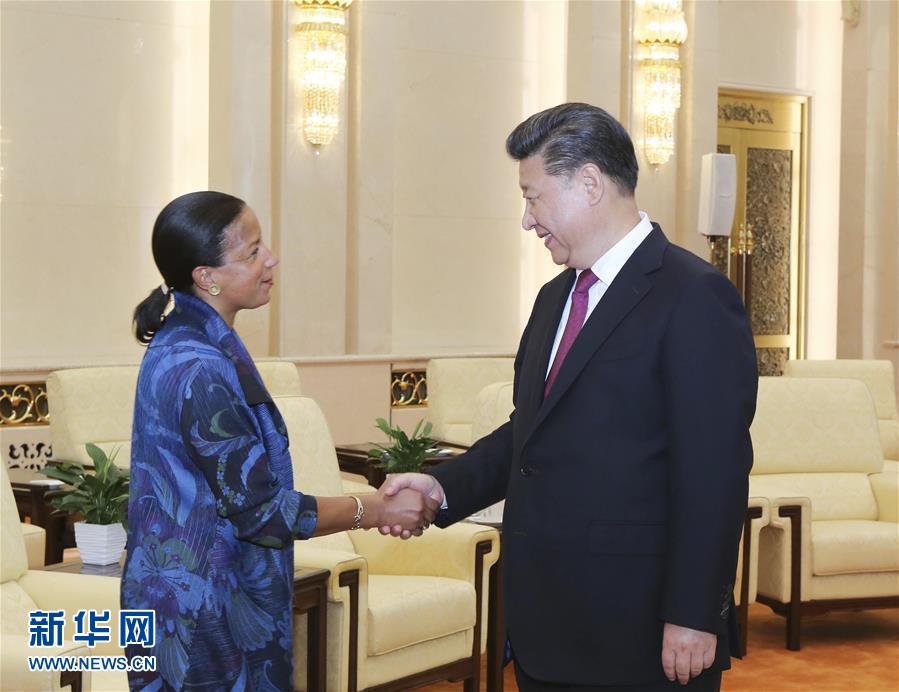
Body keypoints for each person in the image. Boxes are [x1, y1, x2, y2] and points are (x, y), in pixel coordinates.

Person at [381, 103, 758, 691]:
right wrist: (443, 486)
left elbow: (714, 474)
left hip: (641, 633)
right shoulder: (554, 298)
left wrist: (693, 612)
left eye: (532, 198)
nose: (527, 220)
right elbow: (530, 432)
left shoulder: (694, 296)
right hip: (545, 628)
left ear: (589, 183)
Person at [122, 191, 437, 691]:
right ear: (207, 276)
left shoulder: (188, 340)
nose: (271, 258)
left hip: (185, 600)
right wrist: (374, 509)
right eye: (251, 252)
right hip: (203, 617)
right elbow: (263, 513)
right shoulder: (200, 367)